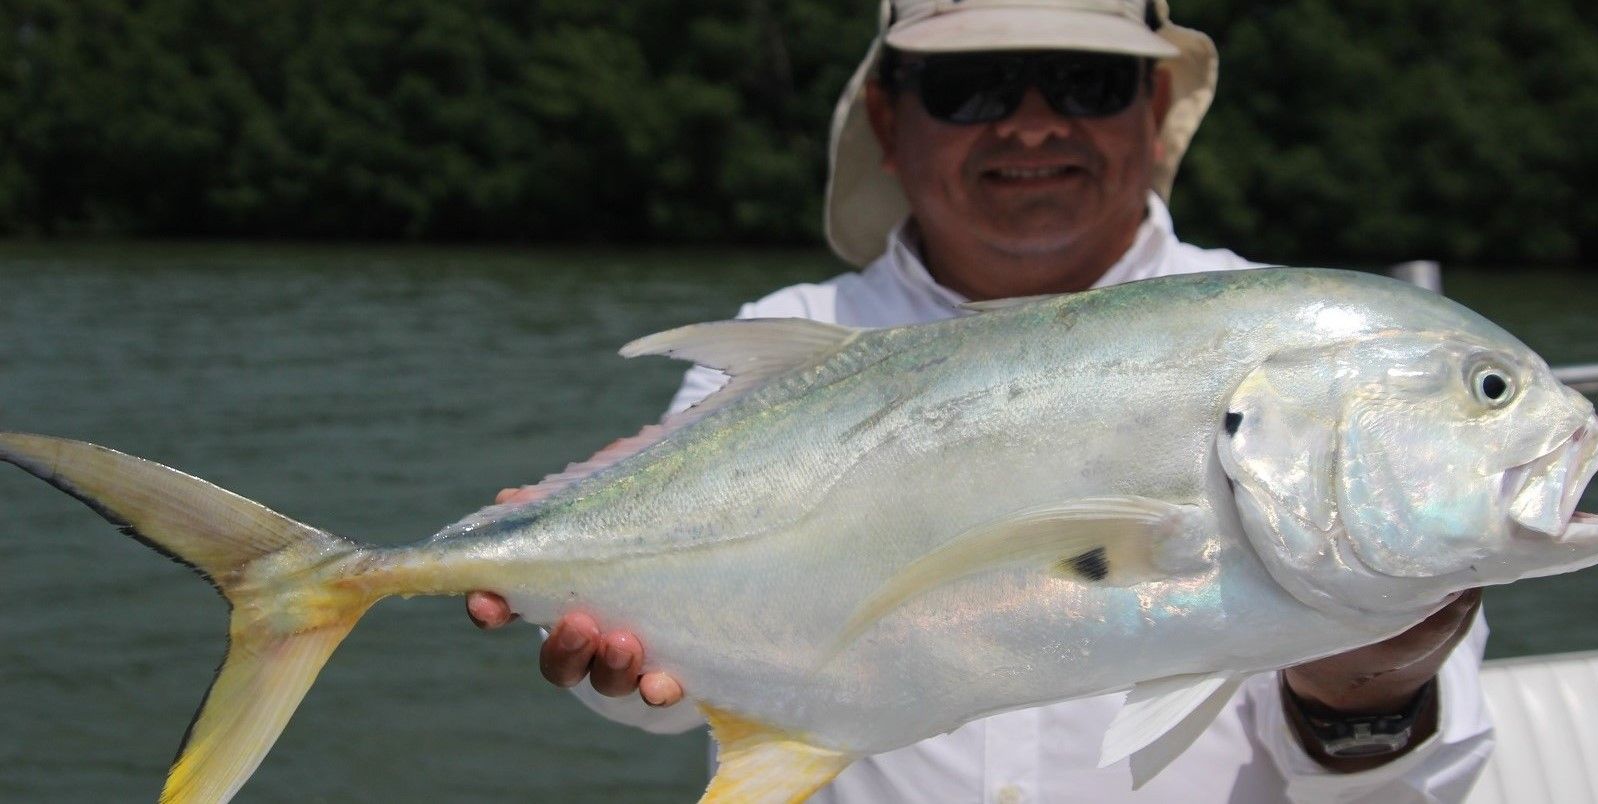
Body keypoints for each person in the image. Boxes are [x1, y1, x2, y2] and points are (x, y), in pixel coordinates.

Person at [468, 0, 1494, 800]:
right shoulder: (792, 338)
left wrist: (1368, 688)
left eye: (1085, 81)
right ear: (886, 112)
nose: (1034, 123)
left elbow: (1396, 793)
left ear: (1152, 104)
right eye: (971, 87)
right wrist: (605, 627)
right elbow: (675, 703)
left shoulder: (1315, 357)